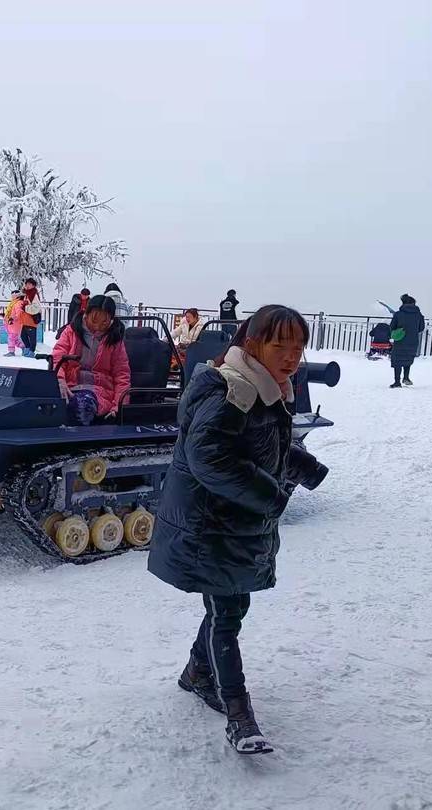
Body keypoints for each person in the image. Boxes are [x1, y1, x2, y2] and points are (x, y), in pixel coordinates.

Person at [148, 305, 320, 755]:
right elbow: (212, 458)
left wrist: (304, 466)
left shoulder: (268, 387)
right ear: (252, 342)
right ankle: (240, 716)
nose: (291, 356)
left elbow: (263, 443)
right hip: (213, 526)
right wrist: (271, 496)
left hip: (234, 524)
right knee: (227, 614)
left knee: (230, 606)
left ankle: (195, 672)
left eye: (298, 346)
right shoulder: (234, 391)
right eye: (280, 344)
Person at [51, 295, 131, 424]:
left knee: (81, 406)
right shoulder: (71, 332)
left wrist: (119, 406)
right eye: (94, 320)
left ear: (111, 320)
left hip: (99, 391)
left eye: (104, 322)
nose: (98, 326)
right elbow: (58, 358)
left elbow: (122, 375)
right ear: (86, 314)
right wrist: (60, 380)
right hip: (69, 385)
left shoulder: (115, 340)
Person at [389, 293, 425, 388]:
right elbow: (421, 328)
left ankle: (397, 382)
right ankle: (406, 377)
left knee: (398, 360)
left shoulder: (398, 314)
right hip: (413, 341)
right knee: (407, 359)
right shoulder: (419, 314)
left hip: (400, 340)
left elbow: (392, 327)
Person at [19, 277, 43, 358]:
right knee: (23, 335)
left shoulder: (33, 295)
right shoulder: (27, 294)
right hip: (25, 319)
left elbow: (36, 307)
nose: (27, 285)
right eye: (26, 284)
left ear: (33, 285)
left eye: (29, 284)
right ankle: (28, 348)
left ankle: (31, 351)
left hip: (31, 319)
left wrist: (25, 308)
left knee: (32, 337)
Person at [3, 290, 25, 356]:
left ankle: (11, 351)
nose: (12, 296)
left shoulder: (18, 303)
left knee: (11, 338)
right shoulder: (13, 303)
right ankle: (24, 347)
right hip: (11, 323)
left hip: (15, 323)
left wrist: (13, 318)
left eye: (13, 295)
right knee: (14, 339)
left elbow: (19, 313)